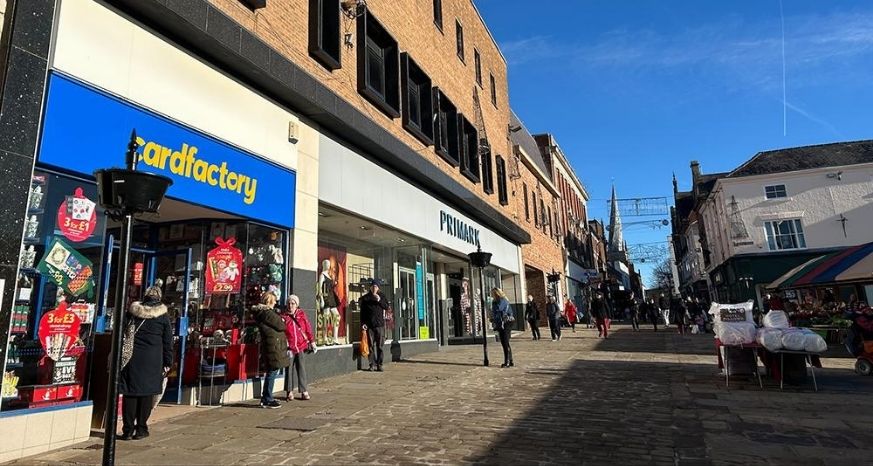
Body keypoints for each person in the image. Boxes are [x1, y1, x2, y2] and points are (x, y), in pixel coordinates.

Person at [118, 285, 173, 440]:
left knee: (130, 394)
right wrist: (168, 361)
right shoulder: (162, 316)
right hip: (153, 359)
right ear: (159, 297)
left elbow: (122, 332)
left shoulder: (133, 312)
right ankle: (141, 428)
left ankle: (127, 430)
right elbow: (167, 341)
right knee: (146, 395)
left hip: (132, 358)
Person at [252, 291, 290, 408]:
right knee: (272, 372)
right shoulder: (267, 313)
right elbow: (281, 325)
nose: (275, 303)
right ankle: (267, 398)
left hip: (272, 345)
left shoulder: (262, 313)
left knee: (271, 371)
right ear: (269, 301)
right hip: (273, 346)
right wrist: (282, 321)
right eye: (274, 301)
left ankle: (266, 397)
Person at [282, 294, 316, 401]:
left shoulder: (301, 315)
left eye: (293, 303)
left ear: (297, 305)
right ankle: (289, 391)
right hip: (290, 347)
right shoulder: (283, 317)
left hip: (301, 346)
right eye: (289, 303)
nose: (290, 305)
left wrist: (312, 341)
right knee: (289, 369)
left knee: (301, 368)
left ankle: (303, 390)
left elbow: (307, 328)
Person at [360, 278, 389, 371]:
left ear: (378, 288)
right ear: (370, 287)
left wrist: (379, 300)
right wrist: (363, 323)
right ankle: (372, 364)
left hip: (379, 325)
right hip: (369, 325)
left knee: (379, 346)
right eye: (372, 286)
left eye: (375, 287)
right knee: (370, 346)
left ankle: (380, 364)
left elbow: (386, 306)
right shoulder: (366, 298)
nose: (374, 288)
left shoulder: (382, 296)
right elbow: (362, 312)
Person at [490, 288, 514, 368]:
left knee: (505, 342)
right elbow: (494, 312)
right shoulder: (496, 301)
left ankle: (507, 361)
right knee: (505, 342)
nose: (492, 295)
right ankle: (510, 360)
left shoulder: (502, 300)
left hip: (506, 322)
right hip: (501, 323)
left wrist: (493, 305)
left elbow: (499, 309)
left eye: (493, 293)